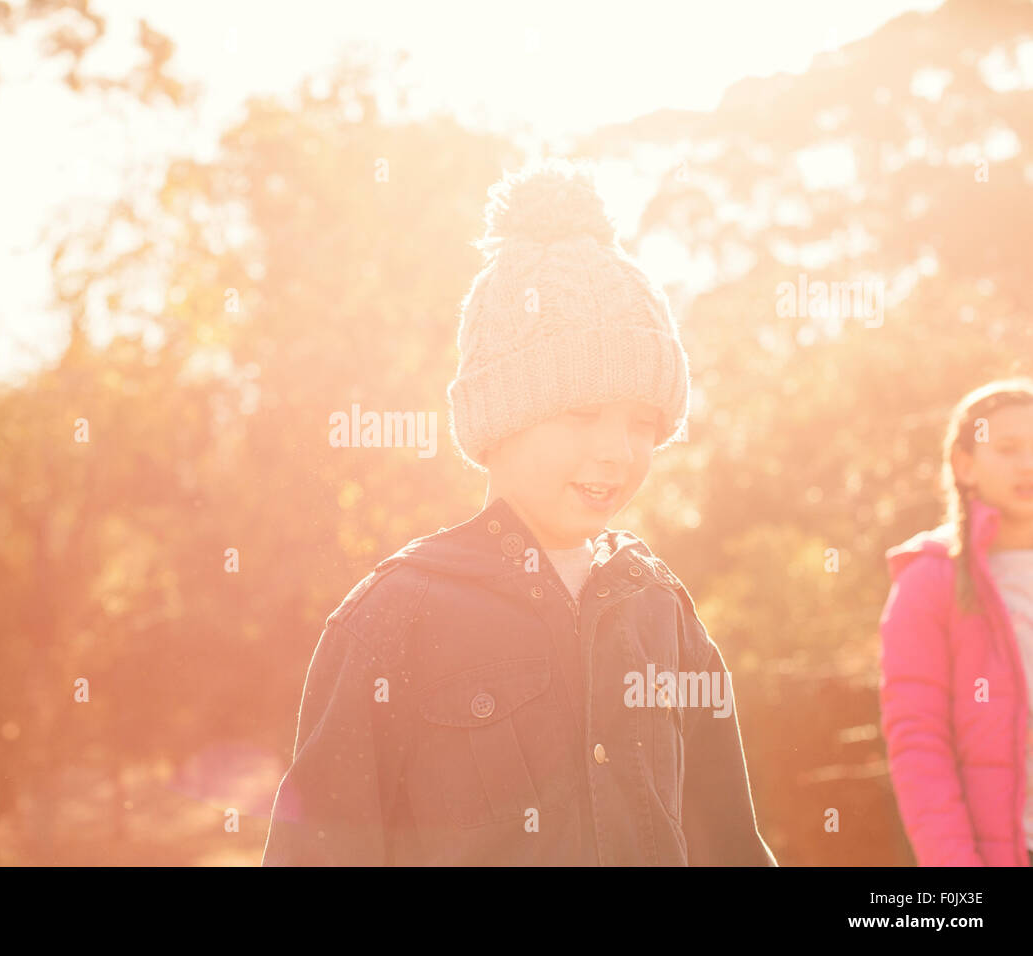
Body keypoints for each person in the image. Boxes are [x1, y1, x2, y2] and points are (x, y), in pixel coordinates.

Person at [262, 157, 775, 865]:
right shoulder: (392, 619)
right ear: (501, 420)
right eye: (582, 412)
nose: (616, 452)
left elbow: (730, 847)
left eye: (641, 425)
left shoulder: (663, 612)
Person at [880, 378, 1033, 866]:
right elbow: (919, 746)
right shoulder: (928, 583)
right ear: (964, 466)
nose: (1027, 464)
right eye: (1007, 449)